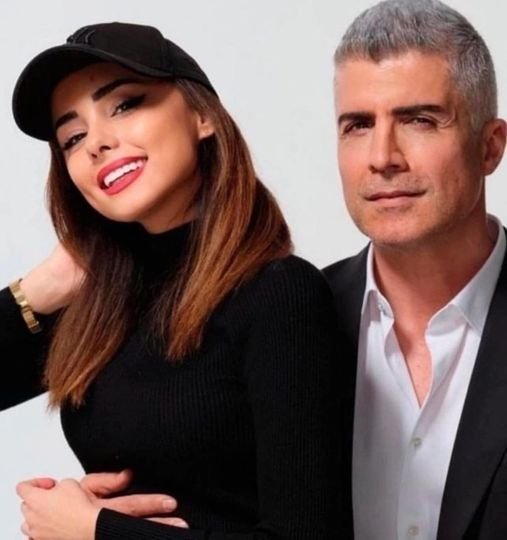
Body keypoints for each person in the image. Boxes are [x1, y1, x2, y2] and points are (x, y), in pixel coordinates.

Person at [1, 22, 348, 539]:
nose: (97, 143)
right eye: (72, 137)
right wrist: (37, 289)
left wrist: (93, 530)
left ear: (203, 115)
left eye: (124, 105)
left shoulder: (279, 294)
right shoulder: (100, 306)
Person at [323, 0, 507, 538]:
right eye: (358, 125)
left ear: (490, 147)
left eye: (419, 120)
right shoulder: (290, 318)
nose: (383, 157)